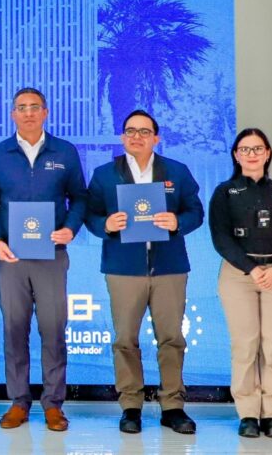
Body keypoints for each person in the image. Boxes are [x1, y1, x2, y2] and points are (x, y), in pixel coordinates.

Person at [85, 109, 204, 435]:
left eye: (144, 131)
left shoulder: (176, 172)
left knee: (172, 339)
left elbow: (196, 211)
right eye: (130, 131)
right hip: (123, 268)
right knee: (125, 339)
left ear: (156, 138)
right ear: (122, 137)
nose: (136, 137)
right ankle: (131, 406)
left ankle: (173, 406)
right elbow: (90, 216)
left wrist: (178, 221)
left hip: (169, 267)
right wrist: (105, 224)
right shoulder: (104, 175)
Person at [0, 87, 87, 432]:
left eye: (34, 107)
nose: (28, 113)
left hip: (51, 255)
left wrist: (70, 229)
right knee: (14, 330)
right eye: (21, 108)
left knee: (53, 329)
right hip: (10, 257)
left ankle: (53, 404)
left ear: (45, 112)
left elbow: (80, 198)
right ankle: (18, 402)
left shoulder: (65, 152)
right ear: (13, 114)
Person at [209, 128, 272, 438]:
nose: (252, 154)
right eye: (245, 149)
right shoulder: (225, 192)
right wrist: (251, 269)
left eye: (258, 148)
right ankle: (248, 412)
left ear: (268, 153)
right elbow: (220, 237)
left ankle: (271, 413)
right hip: (239, 275)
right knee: (245, 344)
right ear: (236, 155)